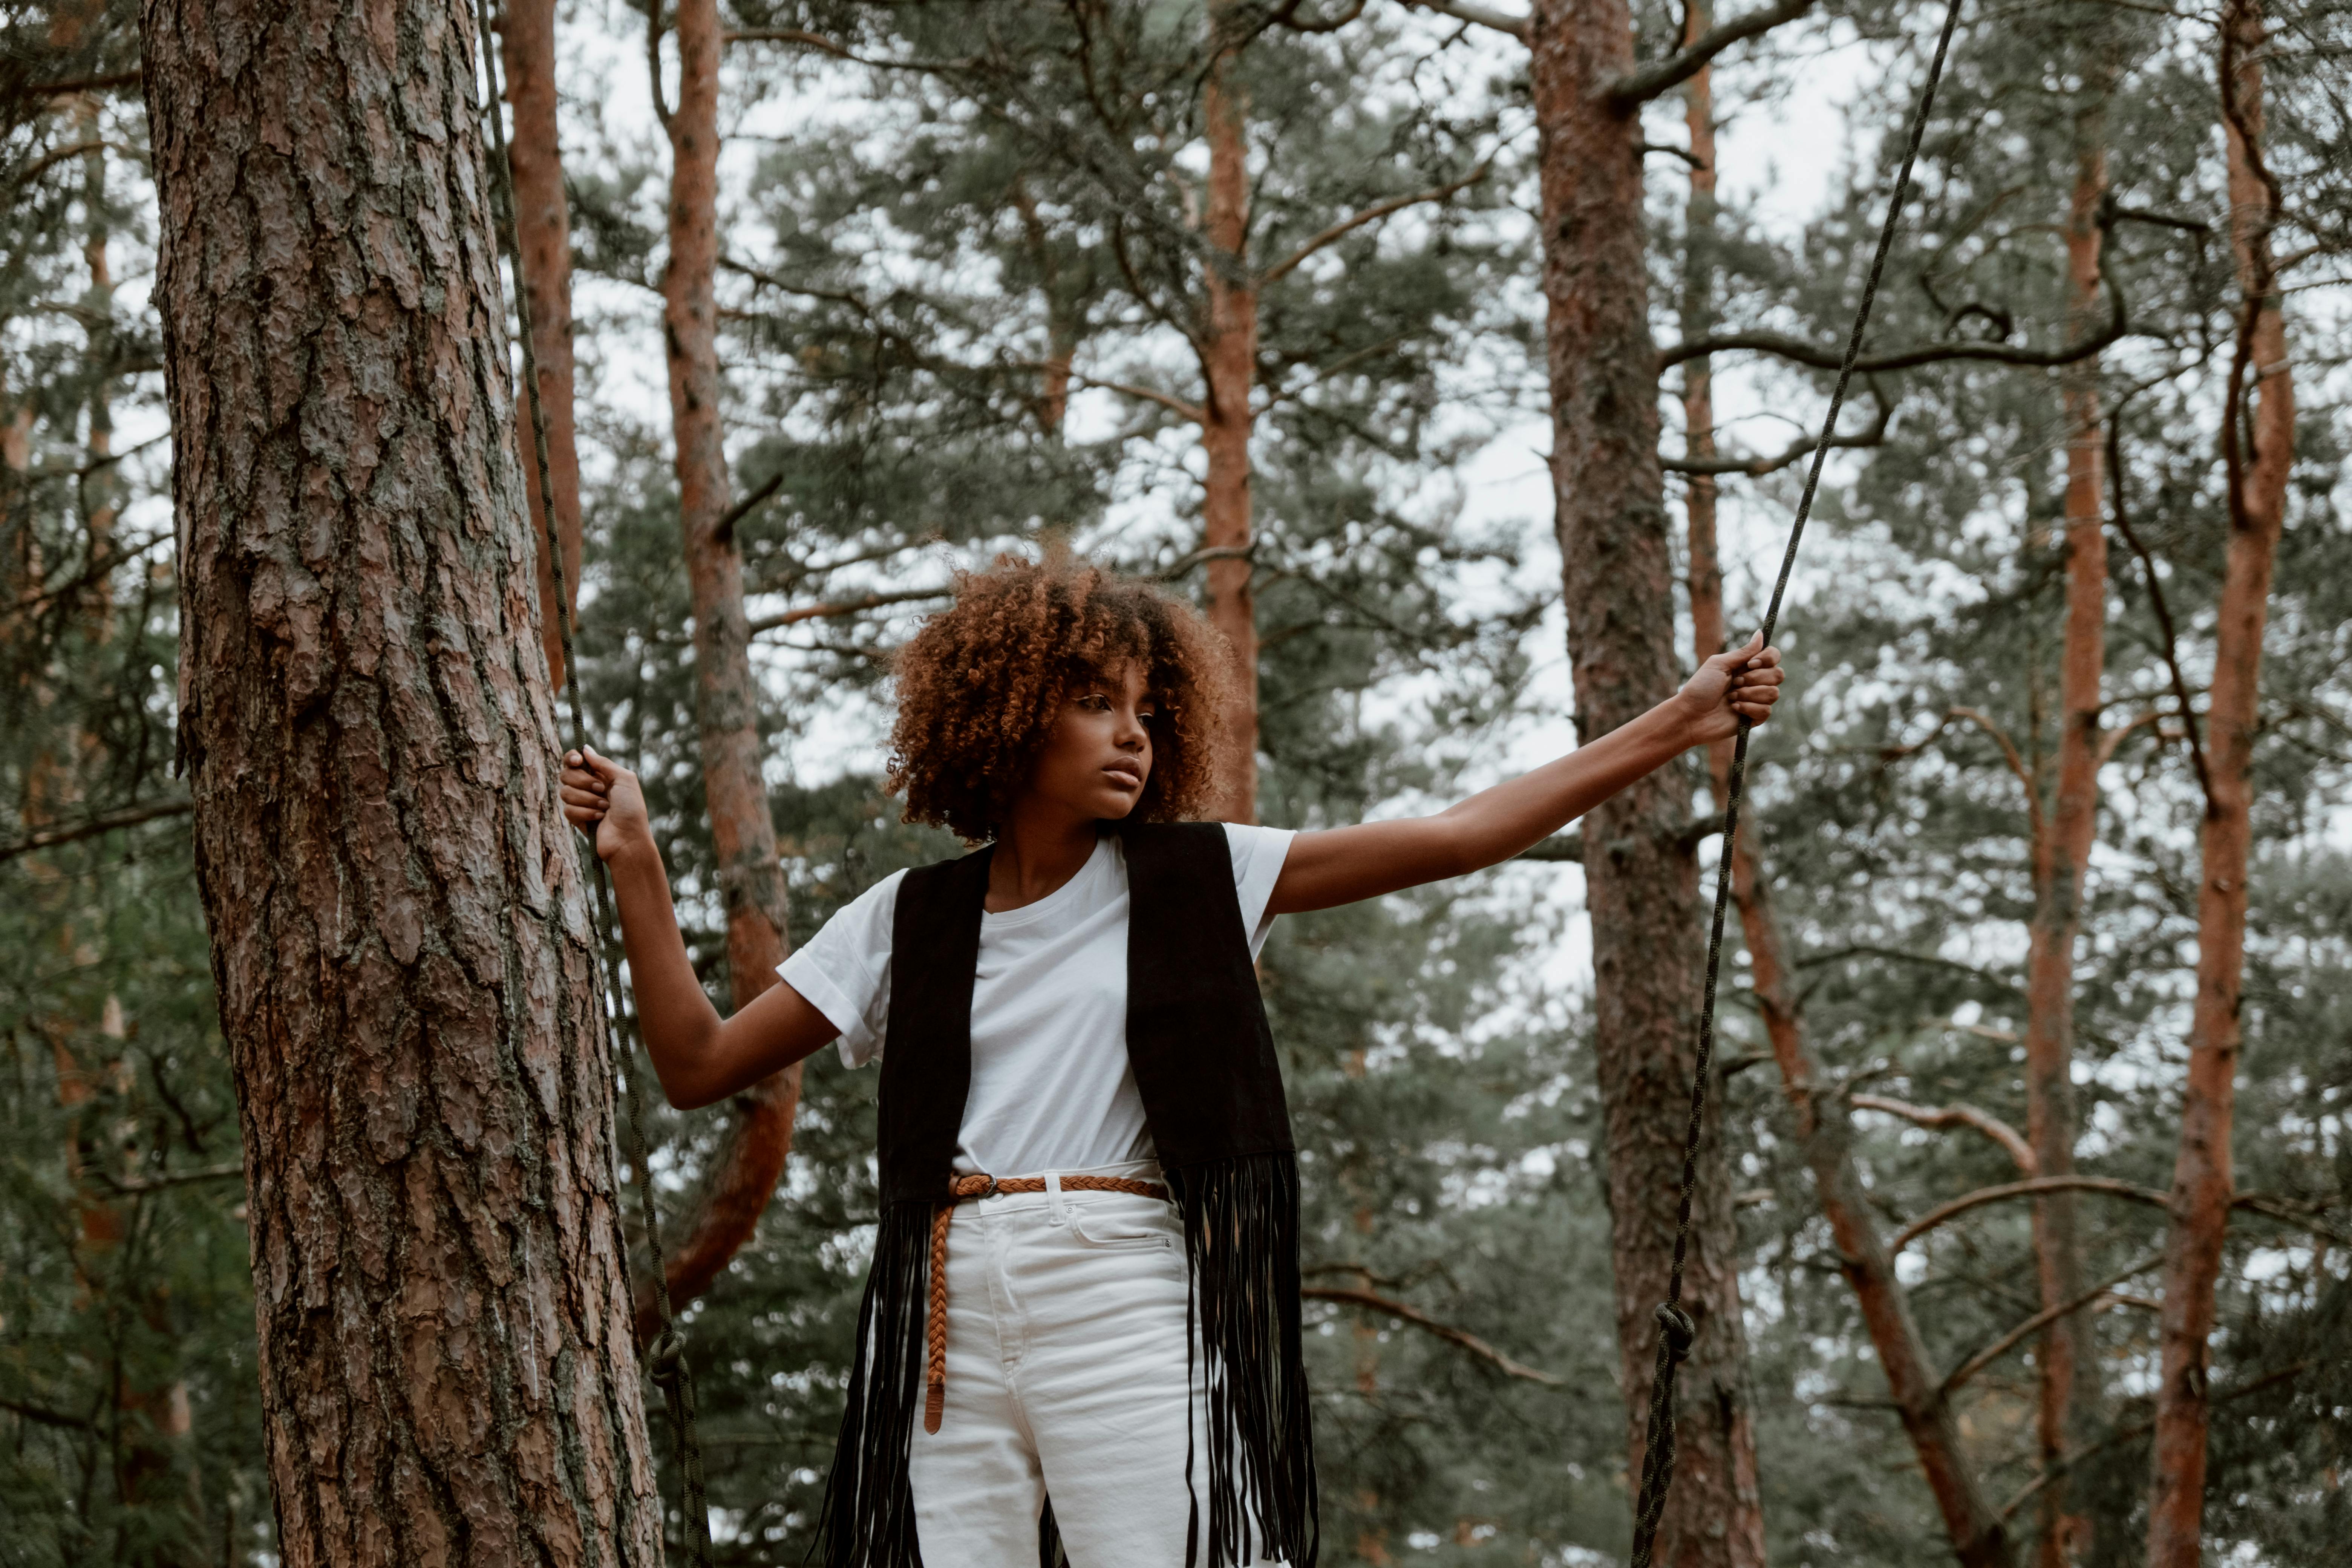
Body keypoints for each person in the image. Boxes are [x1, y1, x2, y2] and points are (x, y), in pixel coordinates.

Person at [559, 554, 1782, 1568]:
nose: (1132, 733)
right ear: (1008, 705)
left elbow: (1458, 838)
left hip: (1120, 1287)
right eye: (1097, 700)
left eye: (1148, 708)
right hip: (939, 1313)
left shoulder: (1199, 877)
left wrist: (1683, 719)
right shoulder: (905, 917)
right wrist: (636, 860)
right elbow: (699, 1061)